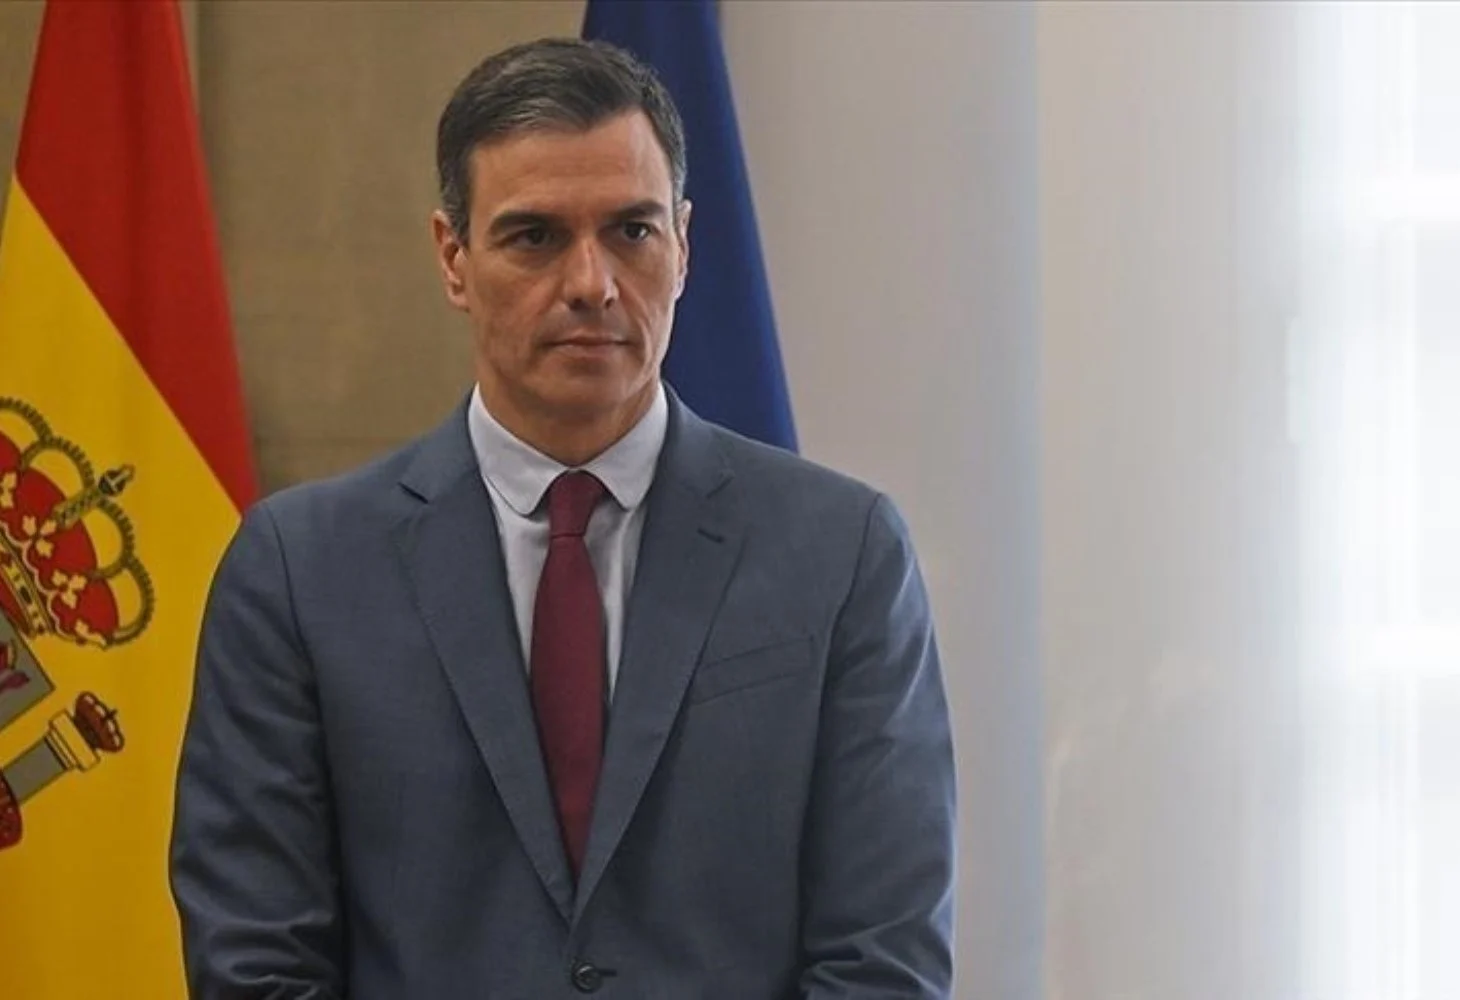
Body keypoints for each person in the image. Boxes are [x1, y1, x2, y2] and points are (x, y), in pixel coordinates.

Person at [169, 37, 955, 999]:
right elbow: (256, 964)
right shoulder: (299, 572)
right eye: (535, 237)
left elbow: (883, 960)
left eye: (632, 231)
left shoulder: (842, 553)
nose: (591, 282)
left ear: (684, 246)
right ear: (453, 258)